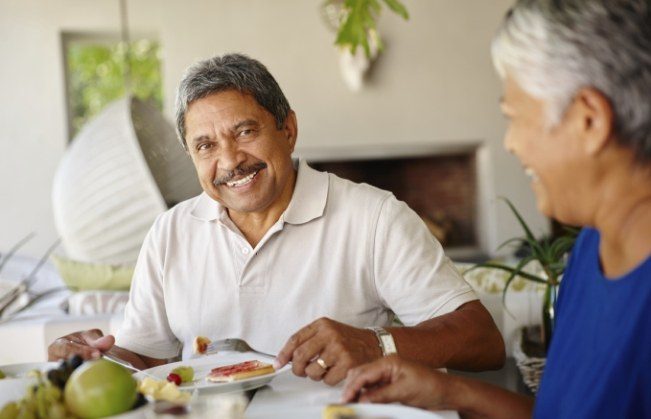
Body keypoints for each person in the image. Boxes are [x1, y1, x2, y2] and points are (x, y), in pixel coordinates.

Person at [48, 53, 505, 385]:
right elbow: (147, 361)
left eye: (245, 132)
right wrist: (92, 359)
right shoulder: (170, 232)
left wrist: (377, 343)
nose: (230, 161)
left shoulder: (374, 216)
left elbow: (482, 341)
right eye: (205, 145)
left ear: (287, 130)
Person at [343, 0, 651, 416]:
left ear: (589, 121)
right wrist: (448, 392)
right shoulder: (593, 248)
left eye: (514, 117)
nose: (510, 143)